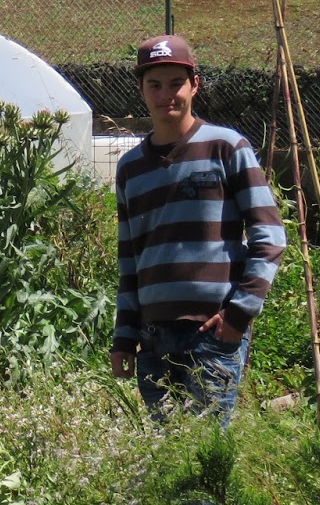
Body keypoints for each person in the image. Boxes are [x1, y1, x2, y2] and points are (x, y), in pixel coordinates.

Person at [110, 35, 286, 429]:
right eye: (155, 85)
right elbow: (129, 262)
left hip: (212, 332)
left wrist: (238, 316)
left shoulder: (227, 147)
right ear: (141, 90)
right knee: (168, 453)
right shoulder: (130, 168)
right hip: (152, 338)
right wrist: (124, 337)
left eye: (176, 83)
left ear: (195, 85)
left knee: (206, 451)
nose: (166, 95)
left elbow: (271, 236)